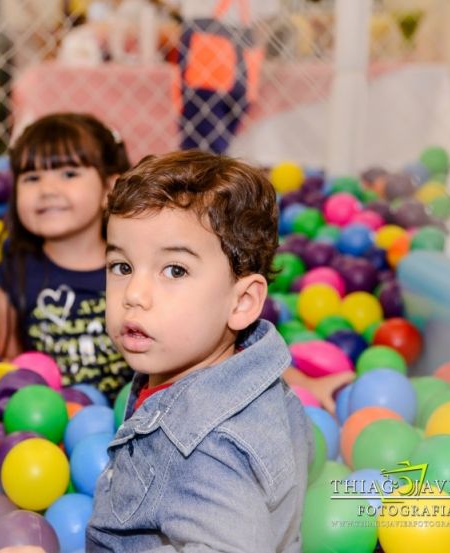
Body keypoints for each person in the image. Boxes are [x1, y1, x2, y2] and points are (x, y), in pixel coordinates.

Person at [85, 150, 311, 551]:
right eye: (122, 266)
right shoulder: (249, 378)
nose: (133, 295)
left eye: (175, 270)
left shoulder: (207, 454)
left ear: (241, 303)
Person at [0, 112, 134, 400]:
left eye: (69, 174)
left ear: (110, 188)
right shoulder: (14, 269)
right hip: (49, 426)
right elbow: (10, 366)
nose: (47, 190)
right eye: (31, 177)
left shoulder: (136, 267)